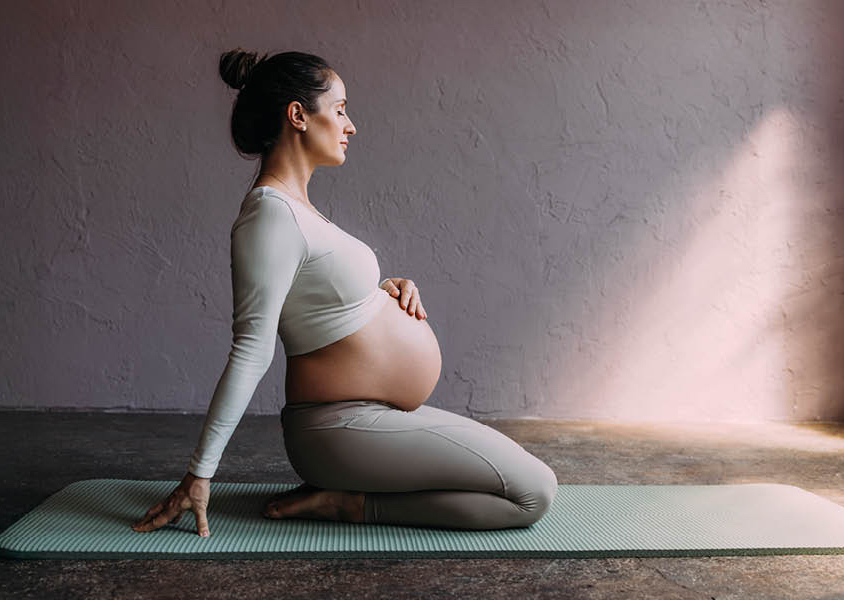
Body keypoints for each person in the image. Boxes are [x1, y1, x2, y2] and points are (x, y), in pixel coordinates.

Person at [131, 48, 557, 538]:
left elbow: (318, 299)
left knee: (532, 483)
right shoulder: (270, 215)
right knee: (534, 493)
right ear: (298, 115)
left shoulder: (296, 209)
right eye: (339, 109)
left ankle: (352, 496)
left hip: (368, 418)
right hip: (339, 430)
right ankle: (355, 506)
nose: (350, 125)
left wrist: (380, 296)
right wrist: (199, 474)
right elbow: (251, 347)